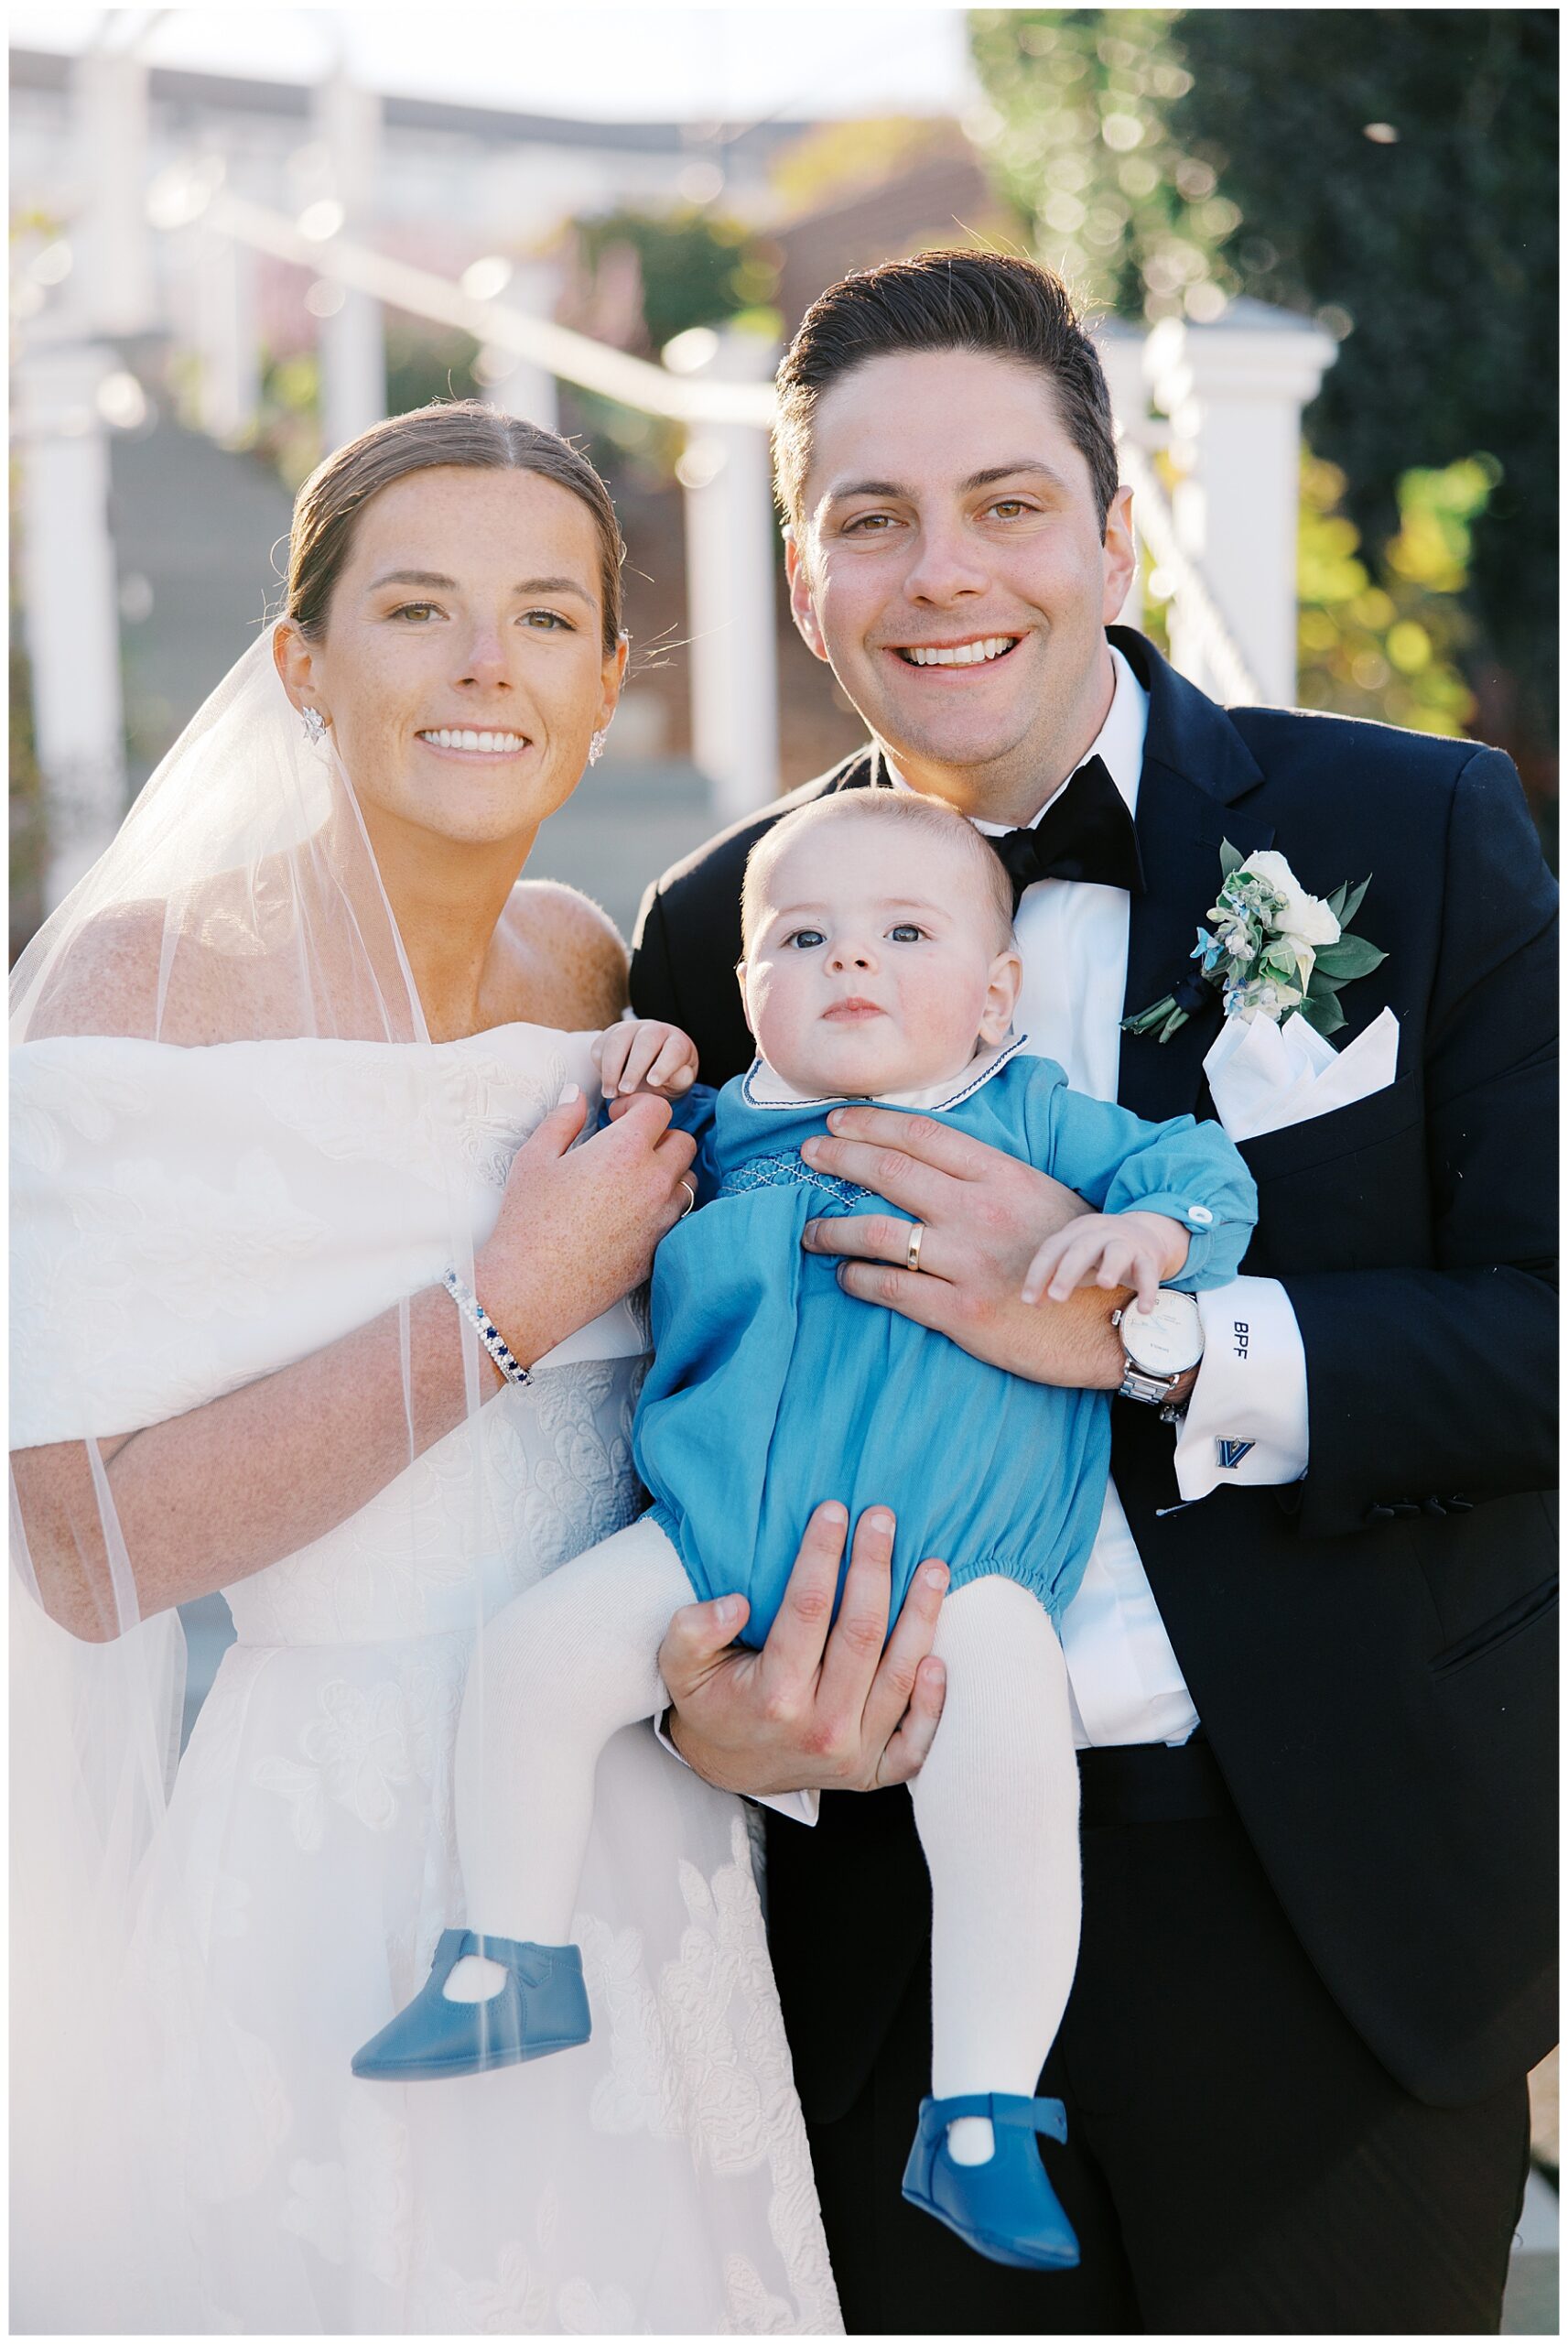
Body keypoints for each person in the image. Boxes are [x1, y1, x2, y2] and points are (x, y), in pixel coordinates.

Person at [629, 252, 1558, 2334]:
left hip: (1333, 1909)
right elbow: (660, 1390)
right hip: (881, 1925)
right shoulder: (717, 932)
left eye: (1005, 502)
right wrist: (712, 1712)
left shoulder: (1402, 831)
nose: (938, 570)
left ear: (1113, 528)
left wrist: (1150, 1338)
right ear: (803, 578)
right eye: (868, 516)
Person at [9, 403, 840, 2335]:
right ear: (301, 662)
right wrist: (498, 1311)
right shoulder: (134, 990)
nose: (487, 665)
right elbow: (88, 1559)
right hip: (335, 1857)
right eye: (416, 608)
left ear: (609, 677)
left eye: (547, 616)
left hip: (635, 1842)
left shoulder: (586, 969)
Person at [351, 787, 1255, 2279]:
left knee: (1012, 1790)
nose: (852, 962)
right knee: (530, 1659)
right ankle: (511, 1954)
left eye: (907, 933)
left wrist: (1144, 1239)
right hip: (712, 1543)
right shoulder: (705, 1133)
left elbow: (1199, 1173)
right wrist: (629, 1073)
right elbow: (577, 1193)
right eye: (804, 936)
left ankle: (979, 2113)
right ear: (746, 981)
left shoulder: (1026, 1114)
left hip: (956, 1572)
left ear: (995, 992)